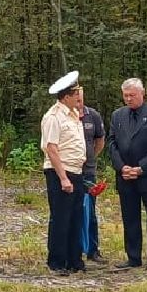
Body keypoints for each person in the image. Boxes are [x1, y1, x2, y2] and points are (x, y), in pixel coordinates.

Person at [108, 77, 147, 270]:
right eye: (125, 96)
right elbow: (112, 144)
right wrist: (121, 167)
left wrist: (141, 168)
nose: (128, 99)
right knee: (130, 219)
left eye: (132, 95)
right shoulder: (118, 115)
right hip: (125, 176)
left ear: (142, 94)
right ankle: (133, 256)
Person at [41, 71, 88, 276]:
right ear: (66, 96)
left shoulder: (74, 114)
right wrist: (63, 177)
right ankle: (57, 261)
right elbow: (51, 148)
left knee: (76, 216)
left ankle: (73, 258)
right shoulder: (53, 117)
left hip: (76, 170)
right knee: (61, 217)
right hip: (61, 171)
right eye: (76, 93)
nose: (79, 97)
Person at [76, 87, 106, 263]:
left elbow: (100, 139)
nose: (78, 102)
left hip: (88, 171)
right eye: (75, 99)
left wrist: (91, 156)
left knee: (91, 211)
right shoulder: (66, 116)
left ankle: (93, 250)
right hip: (71, 170)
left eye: (80, 99)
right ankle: (75, 248)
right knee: (73, 210)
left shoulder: (92, 115)